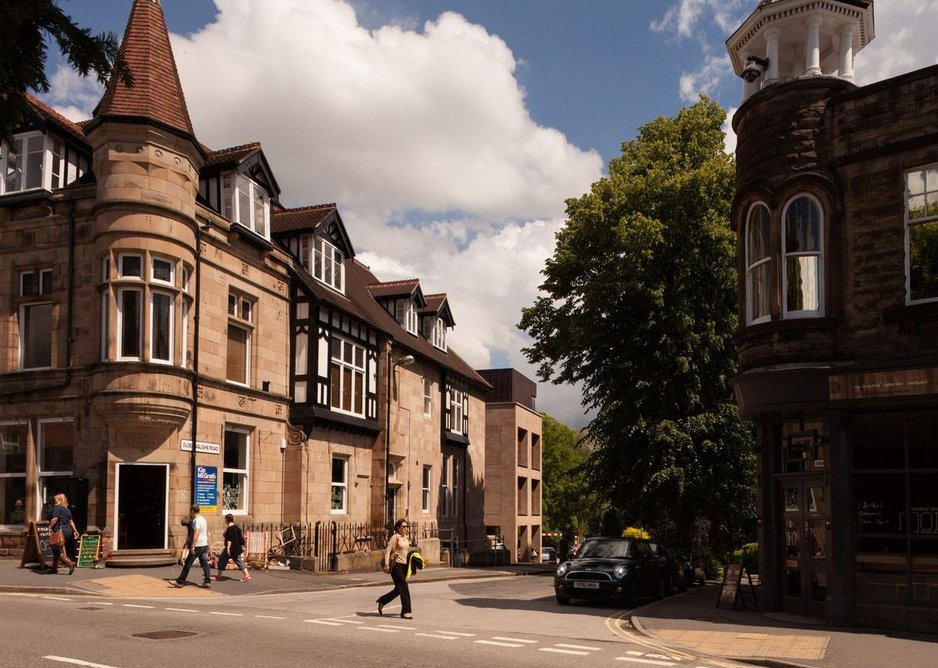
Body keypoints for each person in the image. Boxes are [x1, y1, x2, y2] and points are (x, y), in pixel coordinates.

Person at [376, 518, 413, 619]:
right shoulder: (395, 537)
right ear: (398, 528)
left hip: (404, 566)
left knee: (399, 589)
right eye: (403, 527)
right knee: (404, 587)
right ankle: (406, 611)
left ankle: (382, 601)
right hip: (396, 565)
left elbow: (406, 552)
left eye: (406, 526)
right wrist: (387, 565)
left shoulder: (406, 538)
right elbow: (388, 551)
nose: (405, 528)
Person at [171, 505, 211, 588]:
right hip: (204, 544)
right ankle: (207, 581)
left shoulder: (196, 520)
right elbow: (205, 532)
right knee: (204, 563)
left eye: (190, 511)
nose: (190, 512)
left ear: (192, 511)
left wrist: (193, 545)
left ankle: (180, 581)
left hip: (198, 545)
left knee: (188, 563)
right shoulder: (203, 519)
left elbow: (196, 533)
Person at [211, 513, 250, 582]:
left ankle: (218, 576)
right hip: (236, 548)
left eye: (225, 519)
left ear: (226, 519)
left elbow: (229, 539)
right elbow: (240, 538)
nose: (225, 521)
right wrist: (243, 546)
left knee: (221, 561)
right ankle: (246, 575)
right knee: (239, 561)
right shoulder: (236, 527)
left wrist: (228, 548)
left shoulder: (229, 528)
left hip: (230, 548)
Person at [48, 493, 79, 575]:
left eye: (55, 499)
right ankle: (54, 568)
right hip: (68, 531)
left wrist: (49, 528)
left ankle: (69, 563)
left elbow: (54, 519)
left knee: (55, 548)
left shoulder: (56, 508)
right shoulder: (67, 509)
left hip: (59, 531)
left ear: (58, 500)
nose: (54, 501)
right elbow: (71, 521)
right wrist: (75, 531)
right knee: (57, 548)